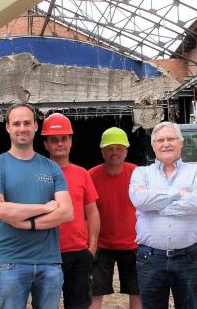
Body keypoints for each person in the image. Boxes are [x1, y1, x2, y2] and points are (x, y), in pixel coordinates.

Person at [0, 103, 74, 309]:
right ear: (7, 127)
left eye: (26, 123)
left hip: (49, 262)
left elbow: (66, 212)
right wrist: (44, 208)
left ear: (35, 126)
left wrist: (27, 223)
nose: (21, 128)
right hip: (12, 262)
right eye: (16, 123)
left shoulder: (51, 167)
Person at [129, 121, 197, 309]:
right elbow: (140, 201)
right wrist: (177, 194)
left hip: (188, 258)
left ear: (181, 143)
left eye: (171, 139)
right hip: (150, 259)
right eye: (160, 140)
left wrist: (157, 205)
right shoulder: (141, 173)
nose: (166, 144)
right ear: (153, 146)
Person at [42, 113, 100, 309]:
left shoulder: (81, 174)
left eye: (64, 138)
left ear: (71, 141)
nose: (60, 144)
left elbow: (92, 212)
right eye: (54, 140)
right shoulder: (38, 174)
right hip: (46, 254)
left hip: (78, 254)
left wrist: (91, 248)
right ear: (46, 144)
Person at [89, 127, 141, 309]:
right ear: (102, 151)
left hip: (134, 244)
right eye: (110, 148)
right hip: (101, 245)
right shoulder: (91, 176)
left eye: (119, 148)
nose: (114, 153)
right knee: (94, 293)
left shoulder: (138, 174)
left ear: (126, 150)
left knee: (137, 292)